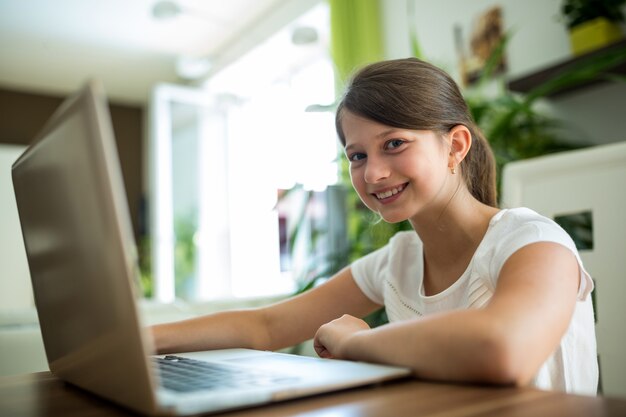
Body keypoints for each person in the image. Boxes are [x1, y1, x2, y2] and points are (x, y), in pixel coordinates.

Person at [151, 57, 598, 395]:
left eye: (395, 144)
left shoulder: (532, 242)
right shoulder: (397, 261)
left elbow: (503, 352)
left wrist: (357, 344)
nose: (373, 174)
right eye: (357, 155)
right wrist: (133, 340)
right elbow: (266, 326)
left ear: (455, 146)